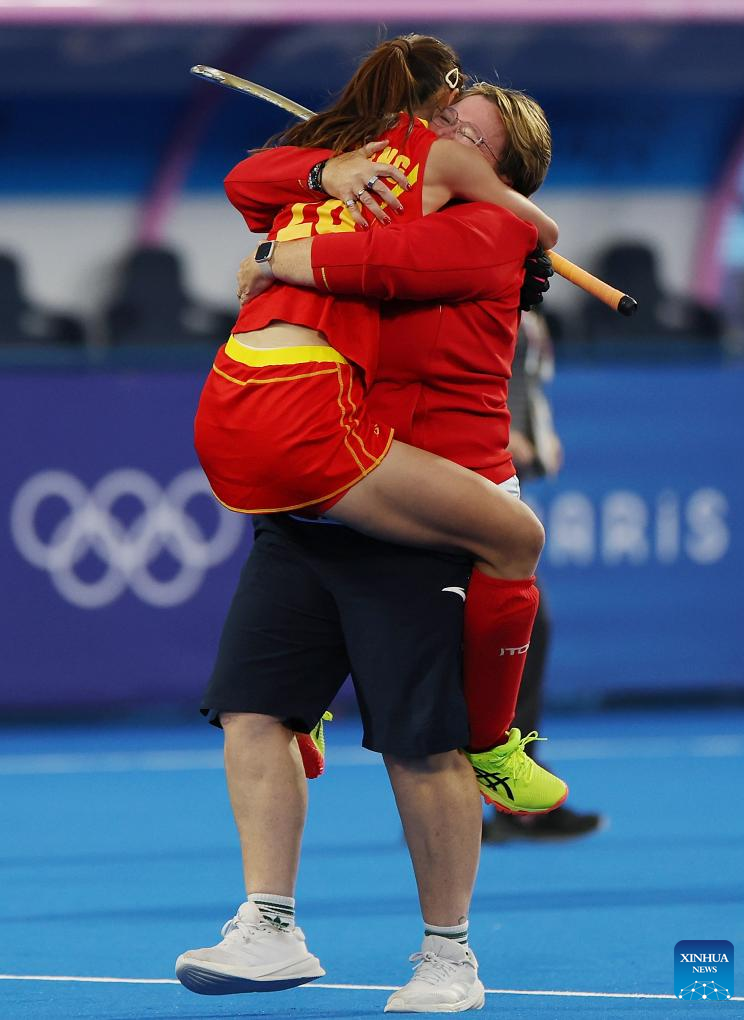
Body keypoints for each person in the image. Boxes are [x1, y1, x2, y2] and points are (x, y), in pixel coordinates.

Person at [176, 81, 562, 1013]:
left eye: (471, 135)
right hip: (318, 502)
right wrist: (327, 166)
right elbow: (252, 176)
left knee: (420, 746)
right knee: (253, 712)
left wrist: (282, 252)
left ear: (501, 171)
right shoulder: (378, 187)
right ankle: (268, 925)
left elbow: (384, 268)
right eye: (442, 120)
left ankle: (448, 956)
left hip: (419, 516)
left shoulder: (489, 234)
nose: (441, 135)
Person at [483, 311, 605, 843]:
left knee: (526, 633)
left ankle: (509, 796)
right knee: (508, 636)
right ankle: (469, 798)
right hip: (467, 487)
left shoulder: (527, 318)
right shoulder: (474, 303)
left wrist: (537, 435)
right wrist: (497, 437)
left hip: (505, 488)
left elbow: (528, 387)